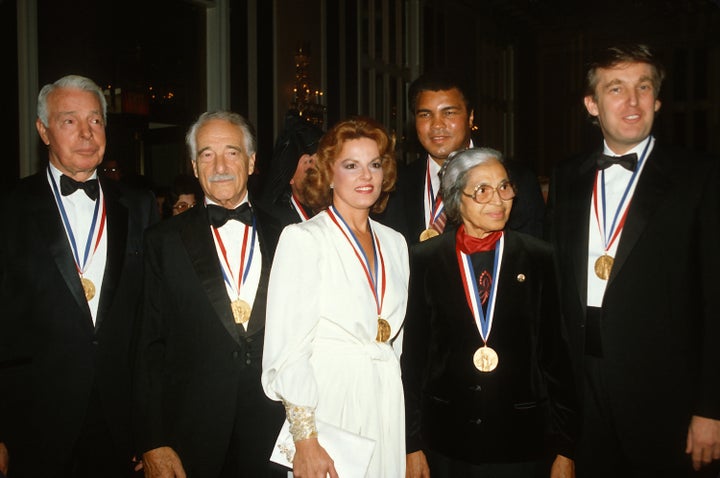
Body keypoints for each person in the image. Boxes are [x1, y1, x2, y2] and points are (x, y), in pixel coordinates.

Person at [545, 44, 720, 477]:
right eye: (616, 88)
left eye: (644, 87)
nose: (633, 101)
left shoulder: (700, 175)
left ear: (657, 101)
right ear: (592, 104)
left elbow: (716, 300)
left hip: (666, 398)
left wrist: (711, 409)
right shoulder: (567, 175)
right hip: (583, 391)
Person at [0, 74, 158, 477]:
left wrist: (150, 429)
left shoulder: (139, 206)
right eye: (70, 121)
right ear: (43, 131)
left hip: (118, 425)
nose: (87, 134)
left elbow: (151, 324)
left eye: (96, 120)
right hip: (31, 423)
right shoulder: (10, 208)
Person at [402, 148, 577, 478]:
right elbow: (414, 359)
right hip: (446, 441)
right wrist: (412, 444)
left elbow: (557, 358)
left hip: (523, 441)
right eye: (482, 190)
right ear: (457, 198)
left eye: (504, 187)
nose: (498, 201)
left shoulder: (539, 257)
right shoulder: (426, 259)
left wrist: (566, 448)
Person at [133, 111, 285, 477]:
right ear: (193, 165)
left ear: (251, 162)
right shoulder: (162, 241)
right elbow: (147, 345)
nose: (219, 165)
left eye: (231, 152)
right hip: (192, 434)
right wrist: (153, 438)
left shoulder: (291, 232)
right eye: (206, 154)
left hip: (275, 432)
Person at [262, 117, 409, 477]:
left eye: (374, 164)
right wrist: (306, 440)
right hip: (331, 404)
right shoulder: (304, 239)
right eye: (351, 165)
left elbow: (395, 341)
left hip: (386, 398)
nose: (366, 176)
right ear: (328, 173)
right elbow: (289, 349)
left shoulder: (395, 242)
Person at [378, 71, 546, 244]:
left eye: (449, 113)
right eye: (425, 115)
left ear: (470, 117)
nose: (437, 125)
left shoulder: (515, 179)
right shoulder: (394, 183)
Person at [261, 113, 324, 225]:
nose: (316, 175)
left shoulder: (337, 210)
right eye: (308, 164)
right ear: (290, 177)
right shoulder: (276, 221)